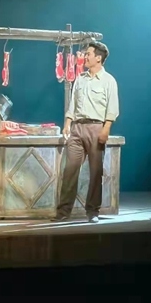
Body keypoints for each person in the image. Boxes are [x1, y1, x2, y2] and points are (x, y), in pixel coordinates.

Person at [52, 41, 119, 223]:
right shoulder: (80, 79)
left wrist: (106, 129)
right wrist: (67, 123)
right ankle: (63, 212)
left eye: (88, 54)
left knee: (96, 172)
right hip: (77, 128)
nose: (85, 57)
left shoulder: (109, 81)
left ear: (98, 58)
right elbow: (72, 104)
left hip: (96, 128)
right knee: (70, 171)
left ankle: (92, 211)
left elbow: (112, 108)